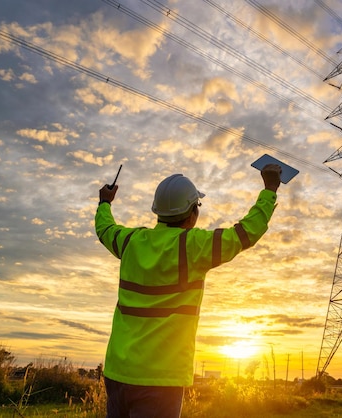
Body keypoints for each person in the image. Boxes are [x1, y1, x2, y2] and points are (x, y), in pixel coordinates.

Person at [95, 163, 282, 417]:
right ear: (192, 213)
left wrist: (104, 203)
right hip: (161, 381)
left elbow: (105, 228)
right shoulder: (194, 247)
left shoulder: (130, 242)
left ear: (157, 212)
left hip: (117, 374)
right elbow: (244, 233)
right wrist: (269, 189)